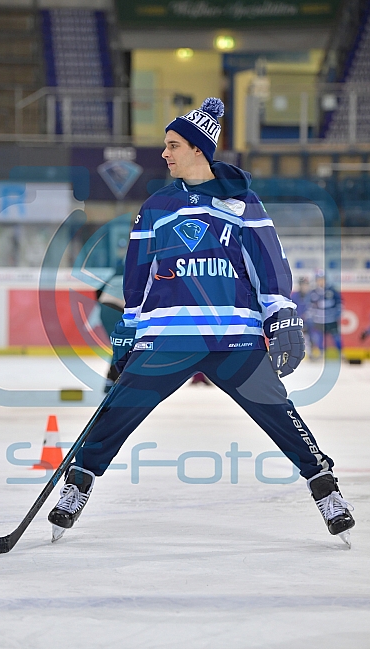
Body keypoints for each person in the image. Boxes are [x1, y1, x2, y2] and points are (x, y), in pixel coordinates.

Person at [48, 98, 355, 547]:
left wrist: (282, 316)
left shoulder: (242, 203)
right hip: (168, 337)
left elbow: (269, 266)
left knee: (279, 416)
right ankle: (78, 484)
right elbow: (138, 277)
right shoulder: (155, 206)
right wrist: (129, 328)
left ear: (197, 149)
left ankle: (324, 487)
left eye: (172, 145)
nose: (165, 154)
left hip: (235, 339)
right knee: (116, 414)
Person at [306, 270, 342, 359]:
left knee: (336, 336)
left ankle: (340, 353)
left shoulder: (332, 290)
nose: (321, 281)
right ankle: (321, 353)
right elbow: (310, 306)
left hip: (331, 319)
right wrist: (311, 316)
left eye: (322, 279)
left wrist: (337, 314)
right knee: (319, 338)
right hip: (319, 320)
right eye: (319, 280)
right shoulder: (313, 292)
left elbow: (339, 303)